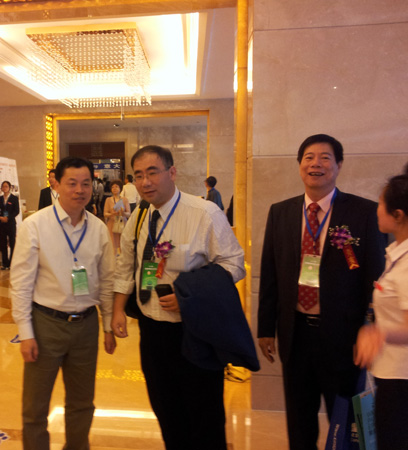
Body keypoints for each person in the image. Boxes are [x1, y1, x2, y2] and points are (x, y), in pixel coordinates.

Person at [111, 145, 245, 450]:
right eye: (139, 175)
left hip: (195, 332)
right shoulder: (139, 216)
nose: (145, 182)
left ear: (172, 172)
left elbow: (234, 264)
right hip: (153, 332)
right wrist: (118, 309)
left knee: (205, 419)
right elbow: (125, 266)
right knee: (167, 413)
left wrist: (189, 295)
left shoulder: (204, 213)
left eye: (153, 172)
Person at [258, 134, 386, 450]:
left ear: (338, 165)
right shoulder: (281, 212)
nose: (316, 164)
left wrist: (372, 328)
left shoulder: (364, 213)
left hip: (344, 337)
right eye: (309, 157)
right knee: (299, 421)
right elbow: (270, 274)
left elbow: (375, 278)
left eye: (325, 157)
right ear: (299, 165)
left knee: (344, 421)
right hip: (295, 334)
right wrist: (265, 328)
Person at [11, 156, 115, 450]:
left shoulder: (98, 229)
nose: (79, 190)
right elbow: (21, 282)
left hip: (86, 326)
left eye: (86, 183)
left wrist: (108, 325)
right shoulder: (35, 225)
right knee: (35, 406)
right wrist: (26, 333)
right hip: (46, 325)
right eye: (72, 183)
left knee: (82, 402)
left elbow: (107, 280)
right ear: (56, 184)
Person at [355, 169, 408, 450]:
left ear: (398, 215)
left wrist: (379, 334)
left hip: (402, 376)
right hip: (390, 371)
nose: (377, 210)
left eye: (381, 204)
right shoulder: (397, 253)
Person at [0, 180, 19, 270]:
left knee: (12, 243)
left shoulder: (14, 198)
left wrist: (8, 218)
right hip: (2, 224)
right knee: (3, 243)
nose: (4, 188)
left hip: (10, 223)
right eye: (3, 186)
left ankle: (12, 262)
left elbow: (16, 211)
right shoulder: (0, 199)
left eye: (6, 186)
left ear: (9, 188)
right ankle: (5, 263)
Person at [103, 179, 131, 255]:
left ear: (120, 188)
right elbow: (105, 213)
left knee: (123, 241)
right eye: (112, 187)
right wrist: (112, 214)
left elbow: (129, 214)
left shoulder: (124, 199)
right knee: (112, 242)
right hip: (112, 223)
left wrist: (123, 213)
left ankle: (123, 257)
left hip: (122, 223)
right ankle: (114, 258)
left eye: (116, 187)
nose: (114, 188)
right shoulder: (108, 200)